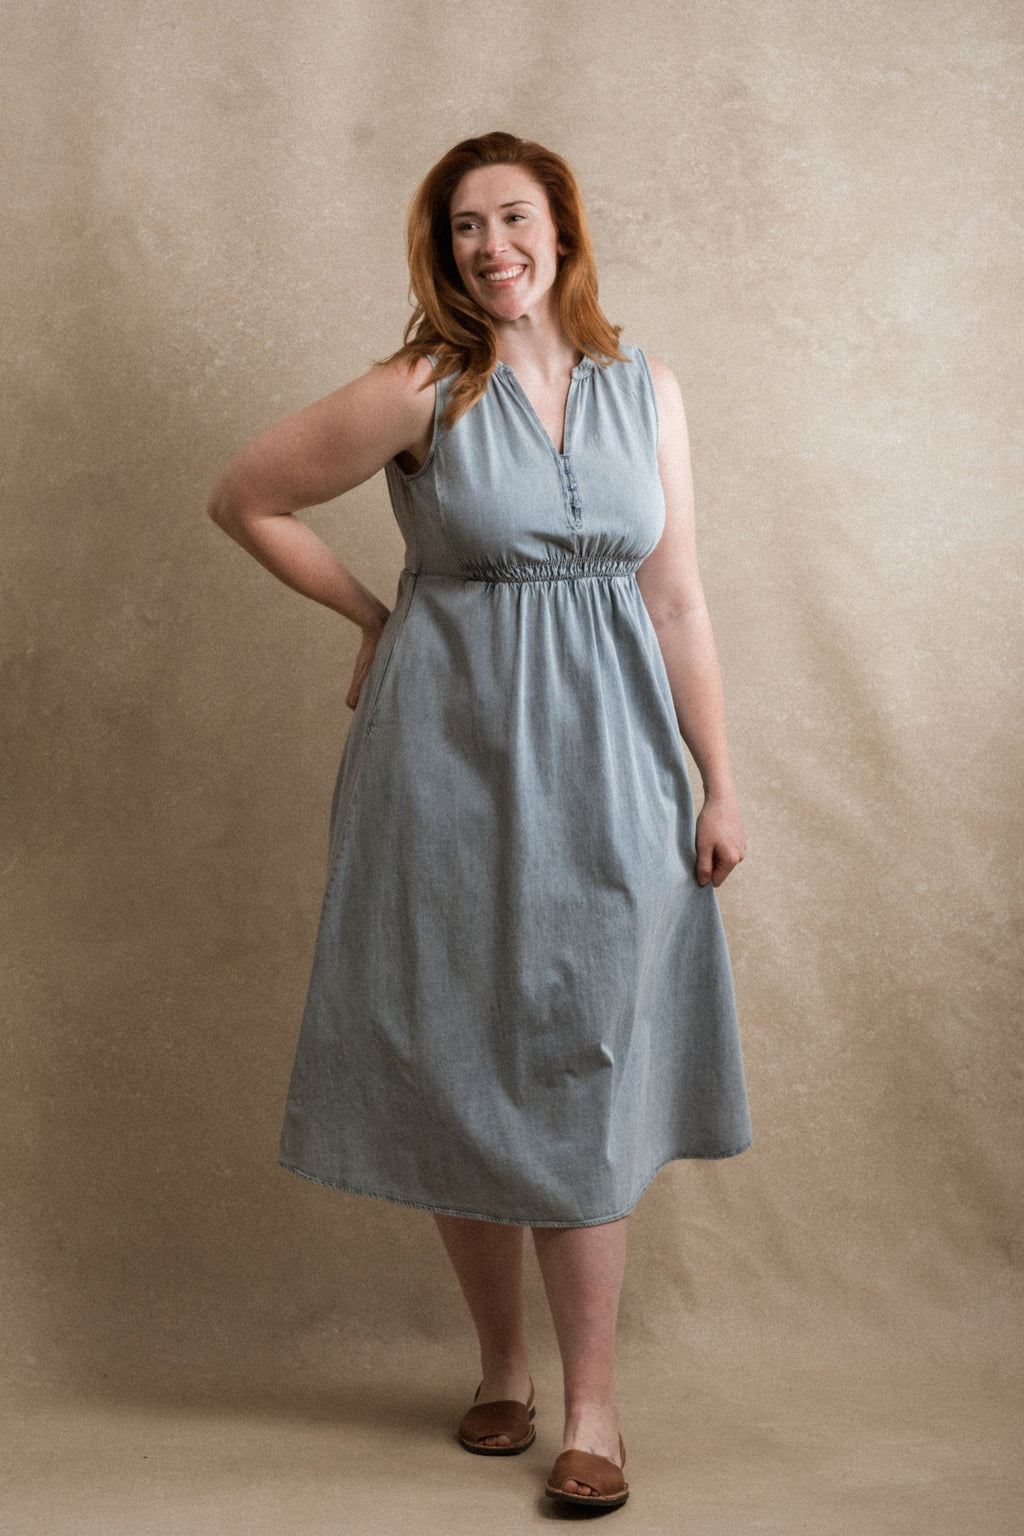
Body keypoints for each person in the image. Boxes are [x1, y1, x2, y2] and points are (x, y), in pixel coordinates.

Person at [207, 129, 751, 1511]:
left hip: (616, 766)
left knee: (586, 1060)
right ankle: (502, 1366)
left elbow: (677, 598)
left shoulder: (647, 391)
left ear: (561, 227)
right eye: (464, 226)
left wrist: (720, 780)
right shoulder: (423, 388)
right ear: (443, 250)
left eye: (513, 217)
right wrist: (371, 617)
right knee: (459, 1047)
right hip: (444, 762)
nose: (491, 246)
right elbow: (247, 496)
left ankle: (596, 1409)